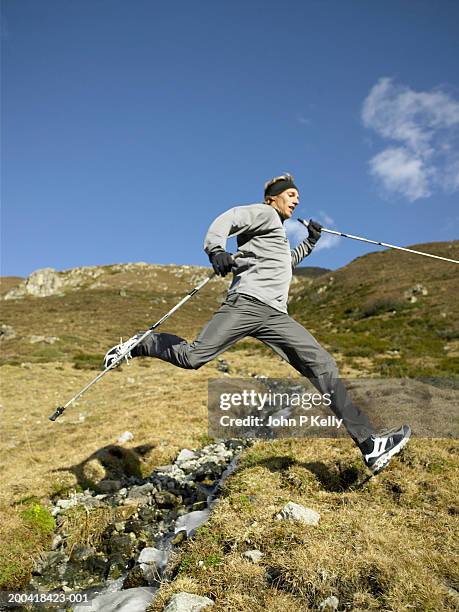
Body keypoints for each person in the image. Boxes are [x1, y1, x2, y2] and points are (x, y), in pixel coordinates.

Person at [104, 173, 410, 474]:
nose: (297, 200)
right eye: (291, 195)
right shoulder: (262, 213)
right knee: (193, 357)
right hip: (246, 304)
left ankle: (370, 444)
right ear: (272, 198)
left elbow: (286, 263)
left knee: (323, 366)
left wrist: (312, 241)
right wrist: (217, 250)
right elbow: (227, 218)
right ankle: (143, 342)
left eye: (298, 197)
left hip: (276, 316)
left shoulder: (274, 234)